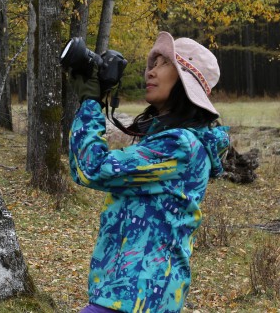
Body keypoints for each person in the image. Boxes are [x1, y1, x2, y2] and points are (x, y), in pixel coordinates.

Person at [68, 31, 230, 313]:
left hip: (141, 296)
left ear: (185, 81)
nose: (150, 72)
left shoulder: (179, 146)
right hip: (127, 293)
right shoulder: (167, 140)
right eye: (152, 63)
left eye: (163, 63)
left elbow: (92, 168)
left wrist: (90, 103)